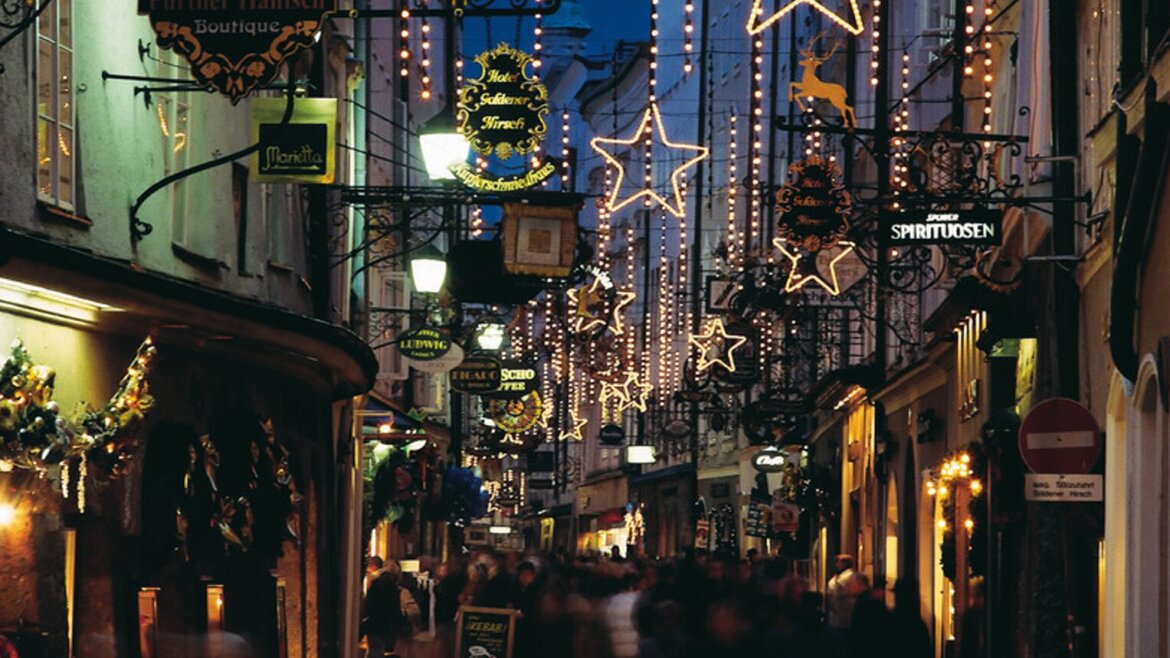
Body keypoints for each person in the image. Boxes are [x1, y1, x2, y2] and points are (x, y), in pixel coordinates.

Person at [361, 556, 421, 658]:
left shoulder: (400, 592)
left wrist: (401, 614)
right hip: (386, 632)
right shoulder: (389, 588)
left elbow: (413, 611)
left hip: (391, 635)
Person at [826, 554, 859, 629]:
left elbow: (838, 591)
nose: (837, 565)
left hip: (845, 615)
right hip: (836, 615)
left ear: (845, 564)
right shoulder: (838, 577)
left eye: (839, 562)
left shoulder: (849, 577)